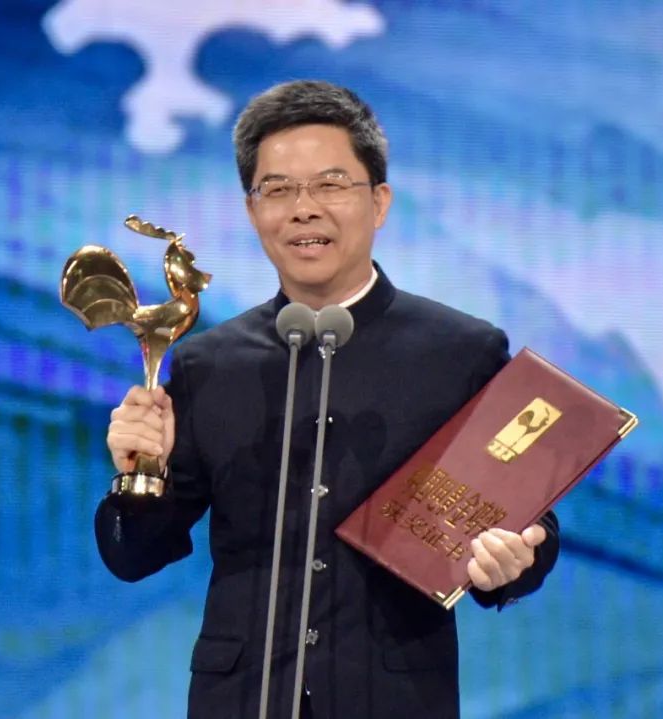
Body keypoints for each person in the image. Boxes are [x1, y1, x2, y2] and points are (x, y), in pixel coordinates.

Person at [98, 80, 560, 719]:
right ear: (252, 210)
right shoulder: (209, 364)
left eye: (331, 185)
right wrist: (136, 478)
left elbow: (525, 524)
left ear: (379, 202)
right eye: (277, 189)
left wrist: (514, 562)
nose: (303, 209)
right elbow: (134, 555)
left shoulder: (460, 352)